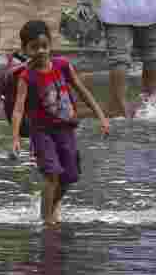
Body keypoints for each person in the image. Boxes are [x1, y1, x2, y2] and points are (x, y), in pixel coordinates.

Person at [11, 20, 109, 226]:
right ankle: (47, 222)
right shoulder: (27, 77)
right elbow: (18, 108)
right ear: (24, 50)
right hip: (42, 132)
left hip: (66, 130)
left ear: (51, 44)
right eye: (34, 47)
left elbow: (82, 90)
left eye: (44, 46)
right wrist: (15, 139)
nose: (40, 51)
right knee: (52, 174)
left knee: (70, 175)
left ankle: (48, 206)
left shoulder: (62, 65)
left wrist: (101, 115)